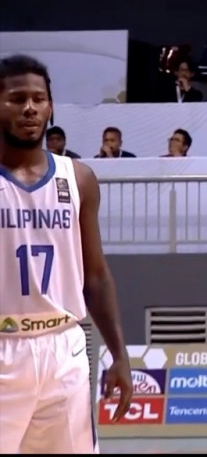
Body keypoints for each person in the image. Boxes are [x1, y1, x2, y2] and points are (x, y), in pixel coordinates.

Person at [0, 54, 133, 453]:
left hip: (64, 347)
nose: (29, 108)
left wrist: (119, 354)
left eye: (38, 99)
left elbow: (96, 276)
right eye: (16, 98)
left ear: (51, 106)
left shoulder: (78, 178)